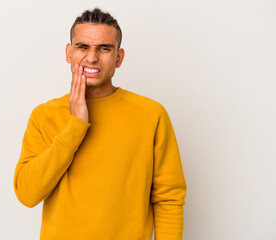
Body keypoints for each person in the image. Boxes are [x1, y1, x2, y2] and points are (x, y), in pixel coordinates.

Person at [13, 8, 187, 240]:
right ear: (69, 52)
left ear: (119, 57)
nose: (92, 57)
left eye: (104, 48)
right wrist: (75, 127)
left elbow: (169, 198)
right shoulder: (44, 115)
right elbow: (27, 194)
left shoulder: (151, 114)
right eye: (82, 46)